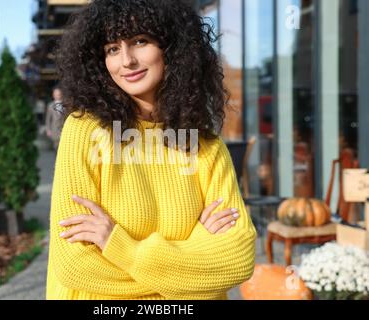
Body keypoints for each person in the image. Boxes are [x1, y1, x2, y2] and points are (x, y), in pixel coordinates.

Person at [46, 0, 256, 300]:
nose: (126, 61)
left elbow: (238, 259)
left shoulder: (207, 147)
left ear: (172, 48)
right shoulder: (86, 131)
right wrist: (192, 268)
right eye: (112, 49)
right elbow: (75, 266)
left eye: (139, 41)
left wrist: (121, 247)